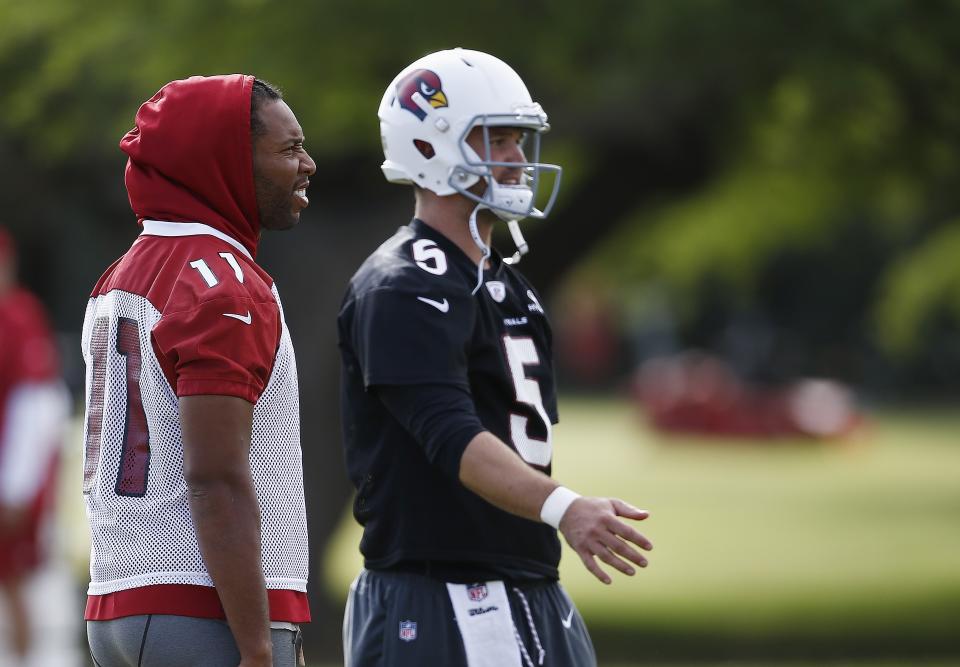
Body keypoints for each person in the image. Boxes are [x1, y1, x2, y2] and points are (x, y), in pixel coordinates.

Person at [338, 48, 653, 667]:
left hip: (525, 579)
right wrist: (565, 507)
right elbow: (450, 433)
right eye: (497, 139)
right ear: (431, 146)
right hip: (442, 590)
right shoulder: (403, 284)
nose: (516, 158)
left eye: (519, 139)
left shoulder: (503, 278)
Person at [81, 75, 315, 667]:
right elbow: (214, 478)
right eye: (287, 150)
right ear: (229, 162)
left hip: (121, 598)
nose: (307, 164)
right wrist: (258, 648)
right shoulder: (224, 282)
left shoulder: (121, 273)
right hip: (201, 609)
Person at [0, 228, 69, 666]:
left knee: (19, 581)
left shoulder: (19, 317)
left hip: (12, 482)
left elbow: (38, 404)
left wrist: (17, 489)